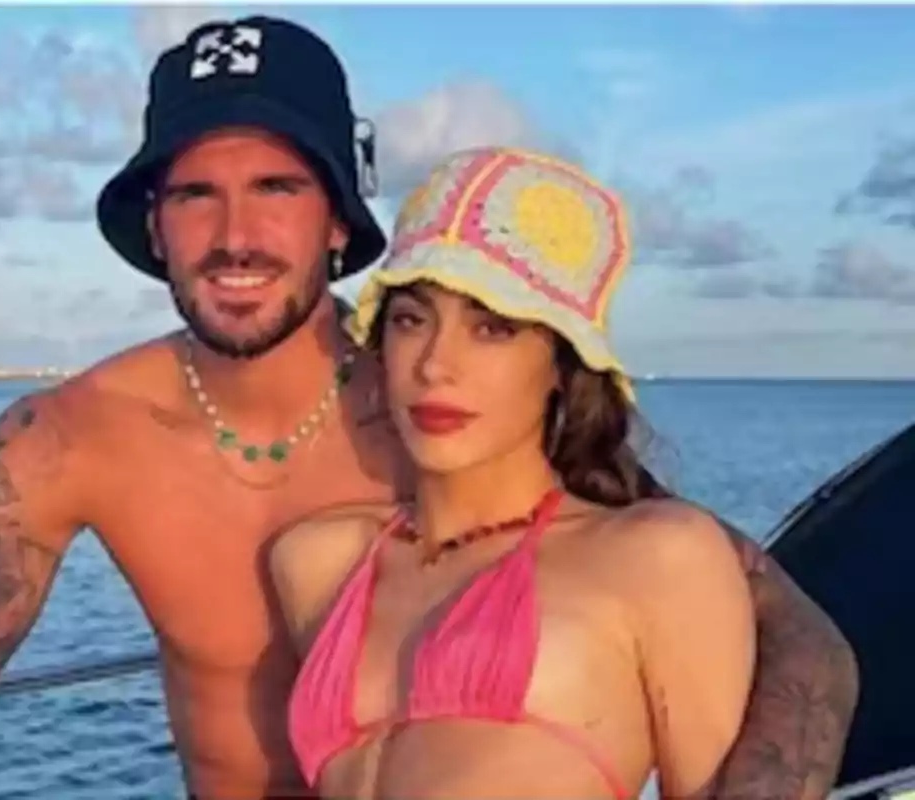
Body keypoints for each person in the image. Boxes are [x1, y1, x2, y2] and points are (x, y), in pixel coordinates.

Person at [0, 14, 857, 800]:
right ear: (154, 226)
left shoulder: (453, 409)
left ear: (341, 221)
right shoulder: (64, 439)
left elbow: (797, 643)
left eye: (278, 189)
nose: (235, 234)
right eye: (195, 193)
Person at [273, 147, 755, 799]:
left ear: (561, 365)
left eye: (493, 328)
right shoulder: (316, 561)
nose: (436, 365)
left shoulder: (658, 558)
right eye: (413, 320)